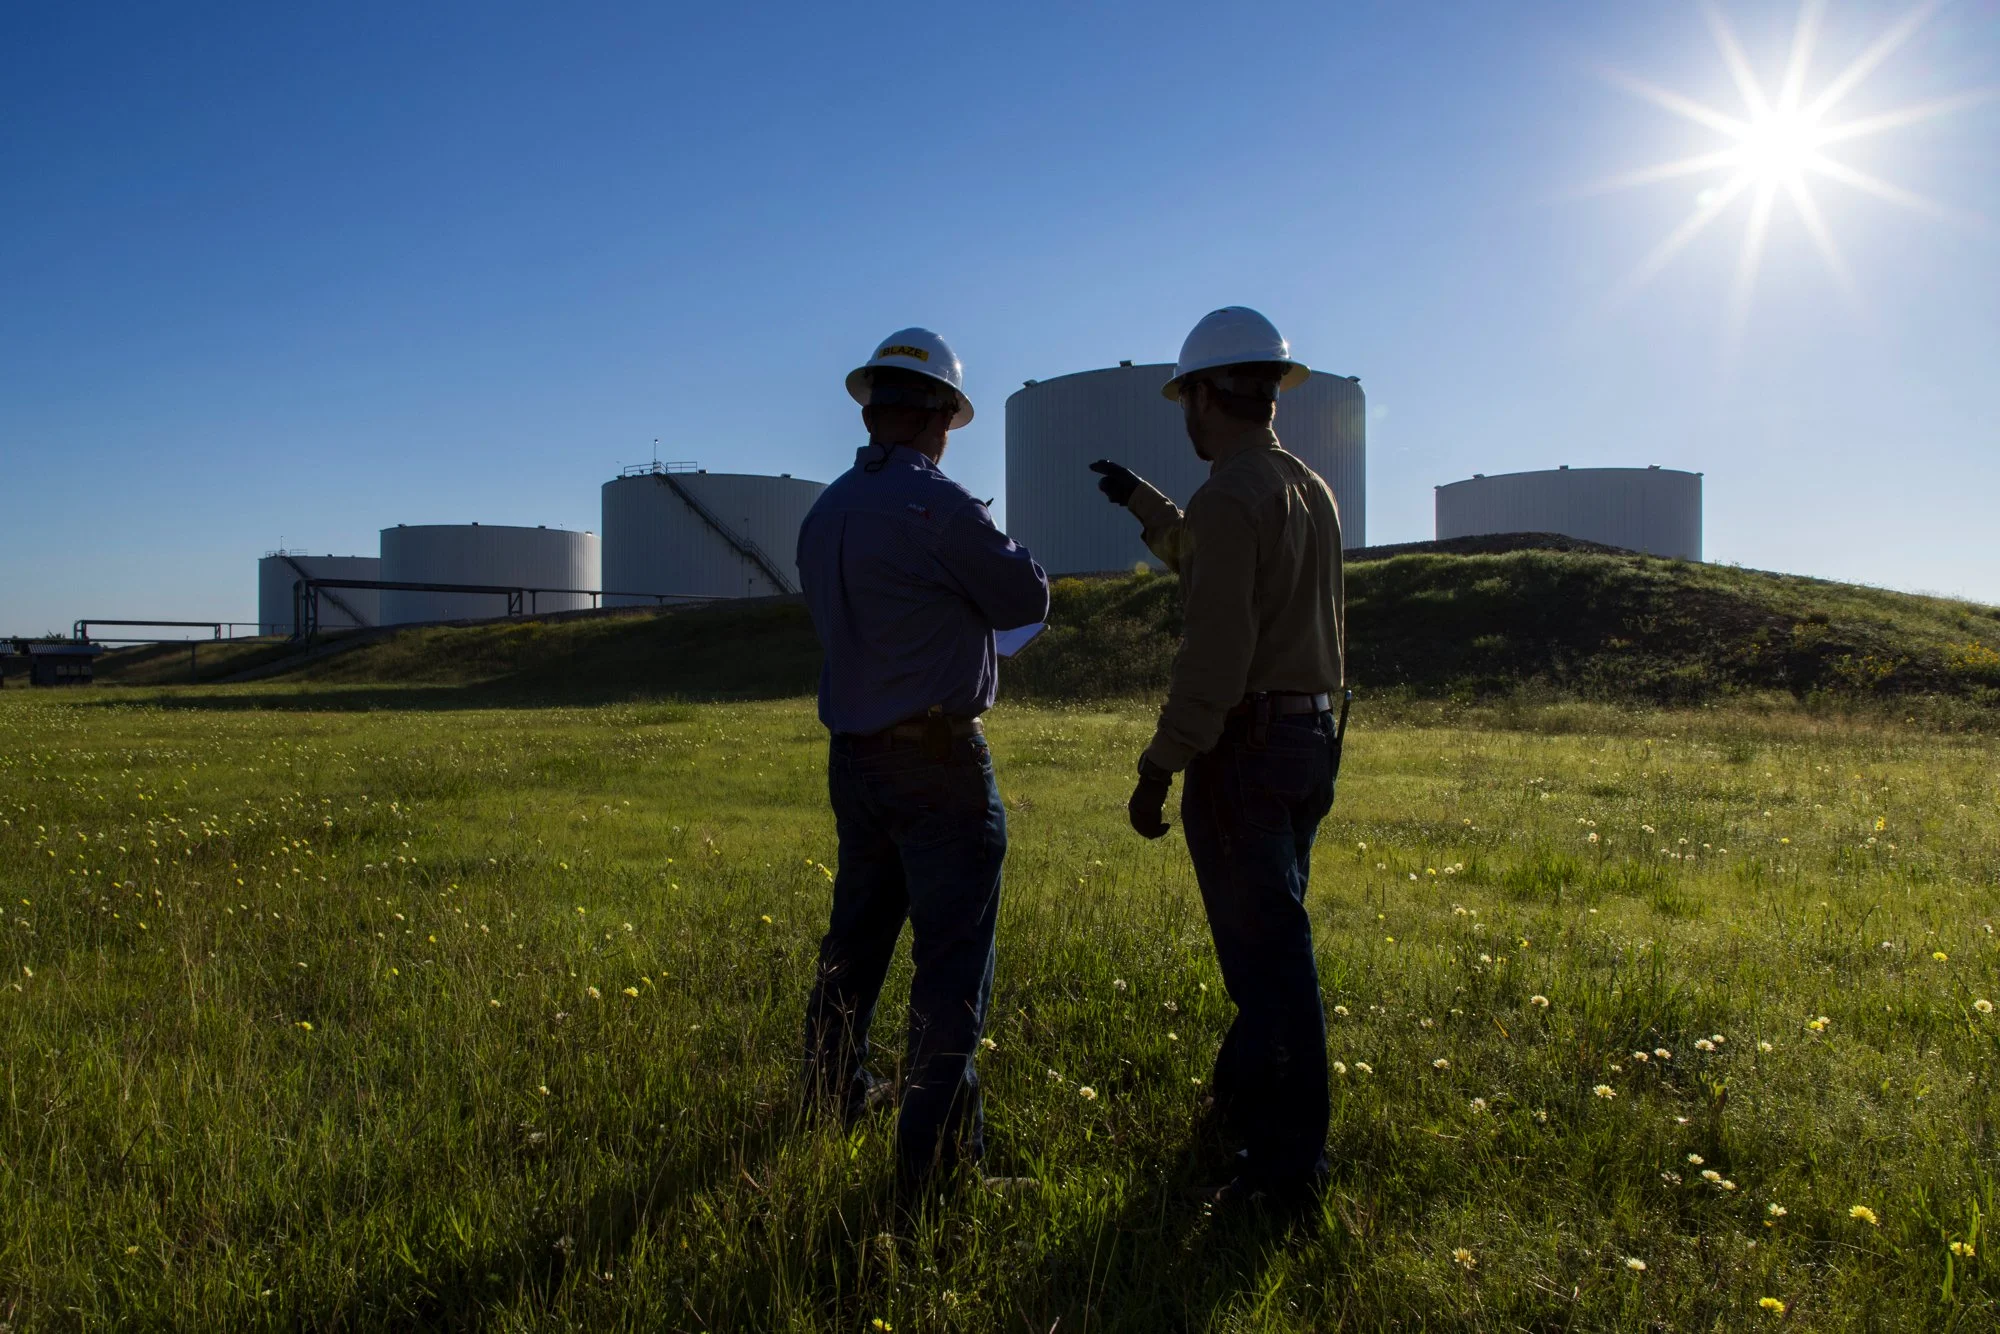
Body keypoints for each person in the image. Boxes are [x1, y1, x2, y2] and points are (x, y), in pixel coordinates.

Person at [1089, 307, 1346, 1207]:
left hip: (1245, 748)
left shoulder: (1231, 496)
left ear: (1206, 394)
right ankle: (1242, 1103)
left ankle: (1286, 1171)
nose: (1184, 418)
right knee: (1271, 932)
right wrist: (1139, 499)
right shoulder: (1304, 487)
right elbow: (1209, 560)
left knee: (1269, 959)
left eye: (1185, 399)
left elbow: (1216, 650)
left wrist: (1160, 763)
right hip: (1310, 740)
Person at [797, 327, 1050, 1196]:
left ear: (871, 408)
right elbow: (1025, 595)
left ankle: (830, 1094)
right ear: (941, 416)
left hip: (855, 758)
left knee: (855, 941)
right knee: (949, 963)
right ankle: (940, 1165)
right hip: (938, 763)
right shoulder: (937, 507)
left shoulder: (825, 510)